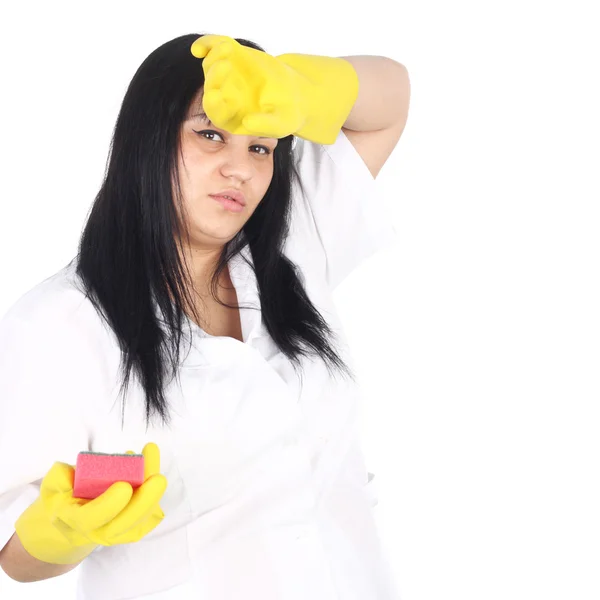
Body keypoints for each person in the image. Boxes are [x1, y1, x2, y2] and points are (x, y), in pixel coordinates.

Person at [0, 32, 410, 599]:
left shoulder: (293, 242)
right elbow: (12, 554)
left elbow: (389, 100)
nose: (238, 169)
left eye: (260, 147)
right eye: (210, 134)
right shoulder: (58, 325)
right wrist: (61, 534)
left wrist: (294, 85)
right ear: (147, 141)